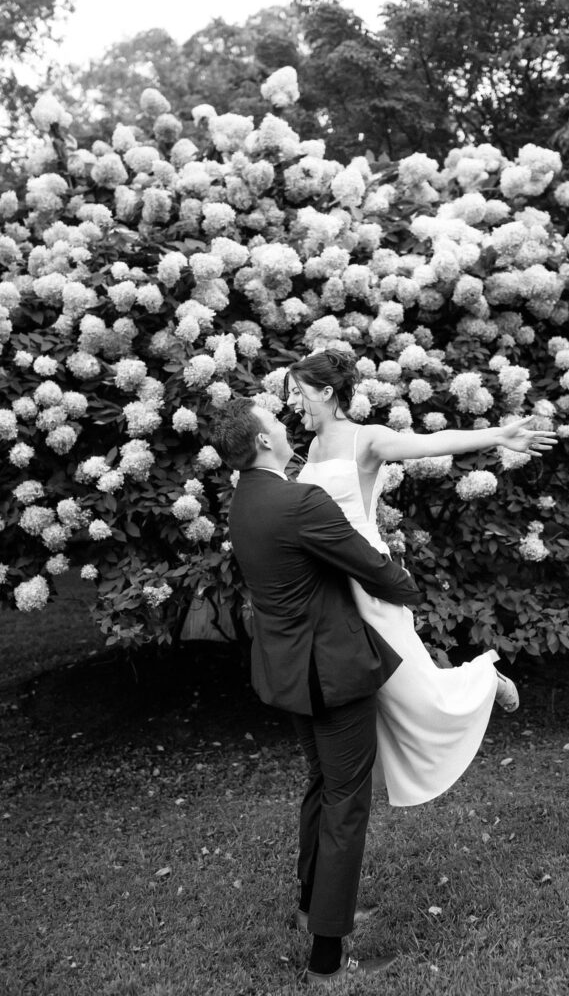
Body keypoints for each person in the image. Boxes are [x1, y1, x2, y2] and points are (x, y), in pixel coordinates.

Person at [286, 349, 558, 807]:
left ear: (327, 392)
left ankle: (484, 681)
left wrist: (498, 436)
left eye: (298, 392)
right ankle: (354, 777)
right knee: (365, 685)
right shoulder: (312, 447)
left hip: (367, 577)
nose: (292, 402)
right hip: (328, 579)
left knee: (411, 688)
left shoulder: (367, 439)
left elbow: (432, 444)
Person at [210, 396, 420, 987]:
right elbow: (370, 566)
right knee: (346, 801)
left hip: (286, 671)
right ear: (261, 444)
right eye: (275, 424)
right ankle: (328, 958)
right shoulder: (300, 500)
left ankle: (314, 903)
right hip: (330, 672)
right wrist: (407, 591)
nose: (285, 425)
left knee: (324, 784)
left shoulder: (244, 502)